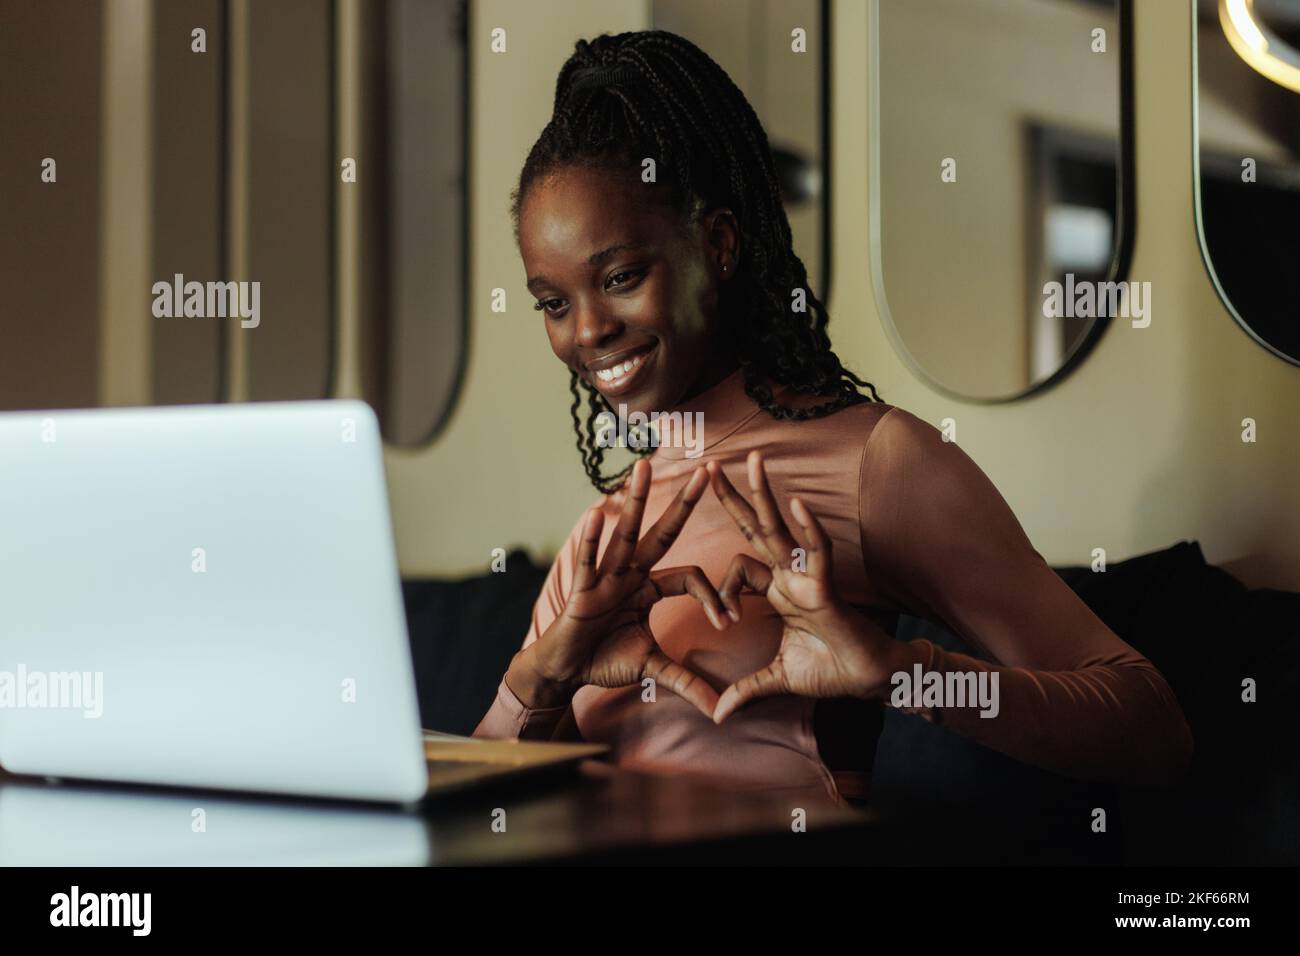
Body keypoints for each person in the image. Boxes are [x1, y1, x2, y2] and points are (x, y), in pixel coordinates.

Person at [474, 30, 1192, 804]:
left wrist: (900, 673)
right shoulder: (610, 534)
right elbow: (474, 810)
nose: (586, 331)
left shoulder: (876, 463)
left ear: (716, 244)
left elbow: (1150, 726)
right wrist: (540, 677)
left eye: (619, 276)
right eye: (553, 303)